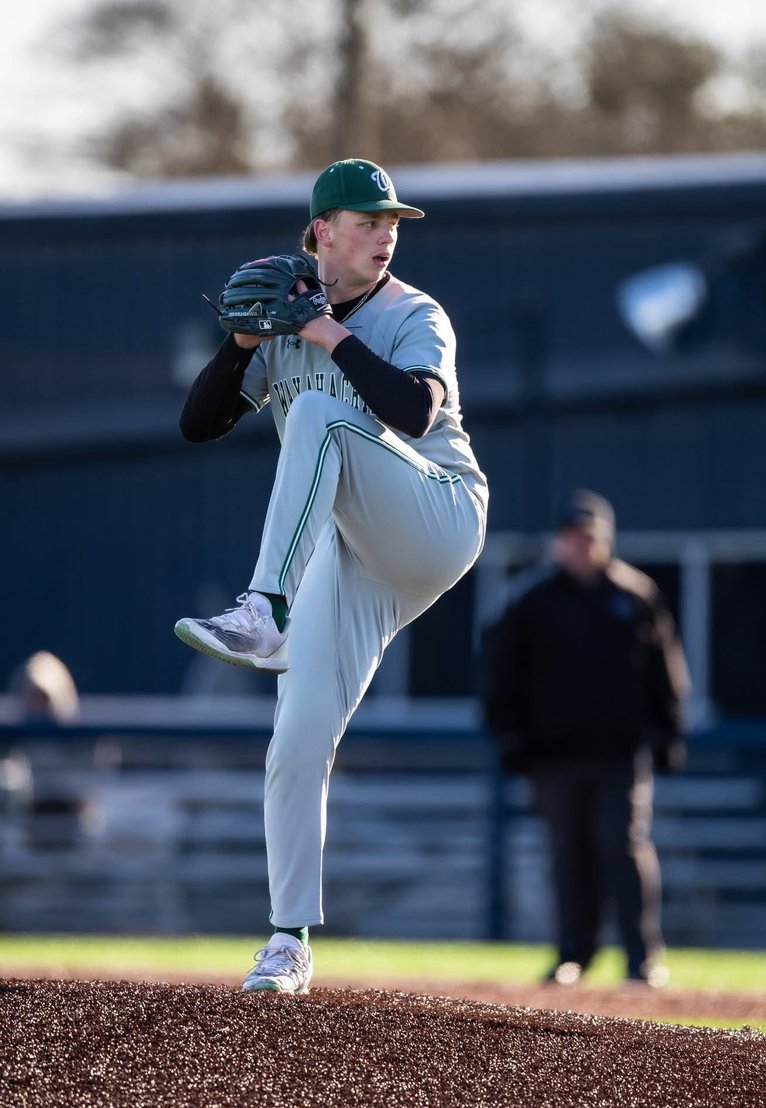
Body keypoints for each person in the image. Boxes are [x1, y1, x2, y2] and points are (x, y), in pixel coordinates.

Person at [175, 158, 488, 994]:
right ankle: (287, 943)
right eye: (366, 221)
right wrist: (241, 342)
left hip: (435, 514)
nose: (385, 234)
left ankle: (262, 608)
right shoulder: (283, 320)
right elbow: (199, 425)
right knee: (296, 737)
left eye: (392, 223)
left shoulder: (413, 311)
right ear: (319, 233)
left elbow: (416, 411)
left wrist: (324, 334)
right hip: (350, 551)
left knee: (317, 412)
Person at [482, 490, 689, 987]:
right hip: (553, 754)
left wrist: (669, 732)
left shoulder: (635, 596)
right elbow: (498, 673)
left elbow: (666, 672)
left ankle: (642, 957)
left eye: (587, 537)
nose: (578, 547)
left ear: (604, 541)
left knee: (622, 846)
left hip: (619, 753)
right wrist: (509, 736)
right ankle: (574, 954)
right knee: (567, 853)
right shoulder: (532, 600)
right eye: (570, 537)